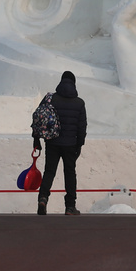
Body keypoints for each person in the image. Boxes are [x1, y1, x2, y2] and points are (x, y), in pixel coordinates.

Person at [32, 71, 86, 216]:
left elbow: (38, 118)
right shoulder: (79, 103)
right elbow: (82, 126)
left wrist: (36, 139)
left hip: (52, 142)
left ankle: (43, 199)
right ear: (73, 83)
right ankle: (70, 207)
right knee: (69, 174)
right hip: (70, 144)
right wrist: (79, 145)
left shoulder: (50, 99)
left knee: (49, 171)